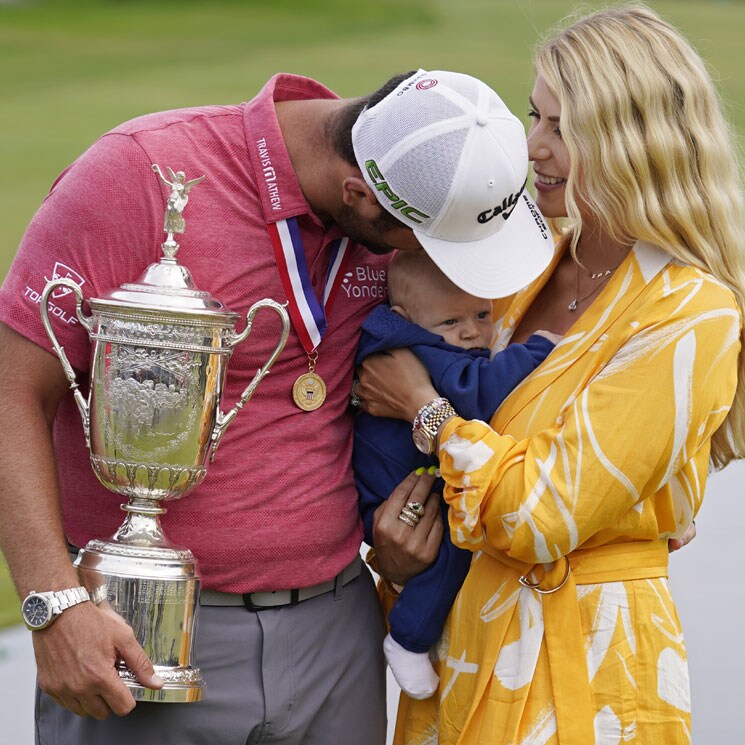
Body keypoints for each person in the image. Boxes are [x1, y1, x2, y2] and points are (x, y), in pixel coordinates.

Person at [0, 69, 554, 744]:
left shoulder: (408, 182)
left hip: (340, 631)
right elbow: (12, 387)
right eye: (432, 246)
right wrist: (54, 606)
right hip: (148, 633)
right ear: (358, 195)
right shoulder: (139, 175)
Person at [358, 6, 745, 744]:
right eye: (533, 116)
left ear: (634, 141)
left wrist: (423, 408)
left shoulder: (690, 312)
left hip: (587, 668)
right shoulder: (519, 269)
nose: (532, 146)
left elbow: (537, 514)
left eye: (561, 128)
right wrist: (402, 552)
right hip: (461, 646)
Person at [354, 251, 557, 700]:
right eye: (451, 322)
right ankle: (408, 638)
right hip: (397, 491)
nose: (471, 331)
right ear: (404, 317)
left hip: (393, 479)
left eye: (482, 314)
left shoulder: (407, 335)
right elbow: (475, 392)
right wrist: (541, 349)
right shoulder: (423, 350)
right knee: (455, 545)